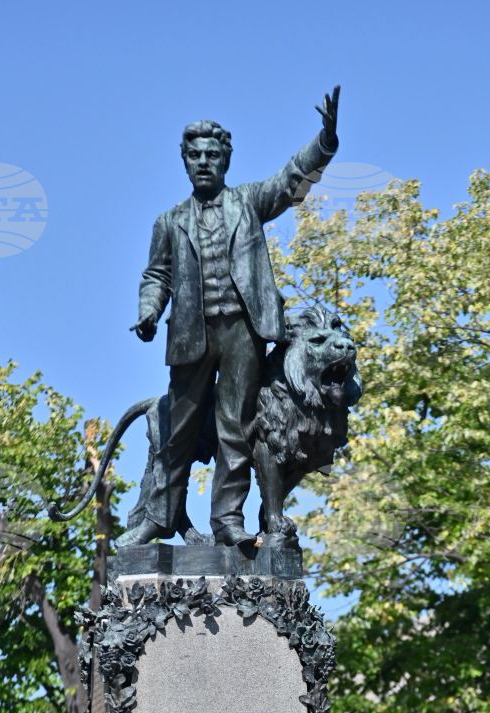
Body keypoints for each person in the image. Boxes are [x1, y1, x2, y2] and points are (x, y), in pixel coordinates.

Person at [129, 89, 340, 545]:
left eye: (212, 154)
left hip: (244, 329)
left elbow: (289, 179)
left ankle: (227, 521)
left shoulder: (248, 202)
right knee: (178, 430)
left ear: (226, 160)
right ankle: (158, 517)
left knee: (237, 427)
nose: (204, 162)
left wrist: (324, 142)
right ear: (184, 161)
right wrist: (148, 312)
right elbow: (156, 274)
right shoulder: (169, 221)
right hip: (191, 333)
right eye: (195, 155)